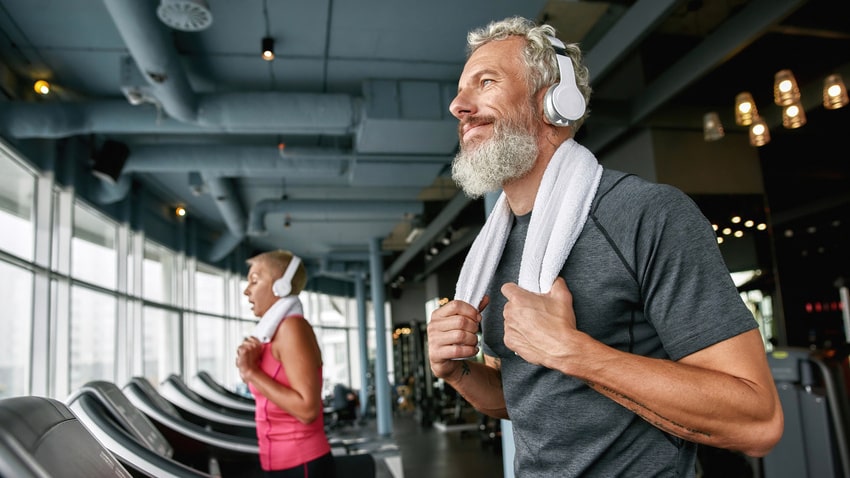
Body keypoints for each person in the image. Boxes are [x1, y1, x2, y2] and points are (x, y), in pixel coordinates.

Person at [426, 16, 783, 477]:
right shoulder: (492, 250)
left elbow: (757, 421)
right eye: (460, 91)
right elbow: (529, 401)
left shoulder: (646, 214)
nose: (458, 104)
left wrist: (574, 353)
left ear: (555, 101)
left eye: (486, 82)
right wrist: (459, 372)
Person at [236, 250, 335, 477]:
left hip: (302, 463)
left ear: (280, 286)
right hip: (278, 462)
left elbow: (307, 409)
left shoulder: (292, 329)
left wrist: (251, 372)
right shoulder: (273, 335)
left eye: (255, 280)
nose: (246, 290)